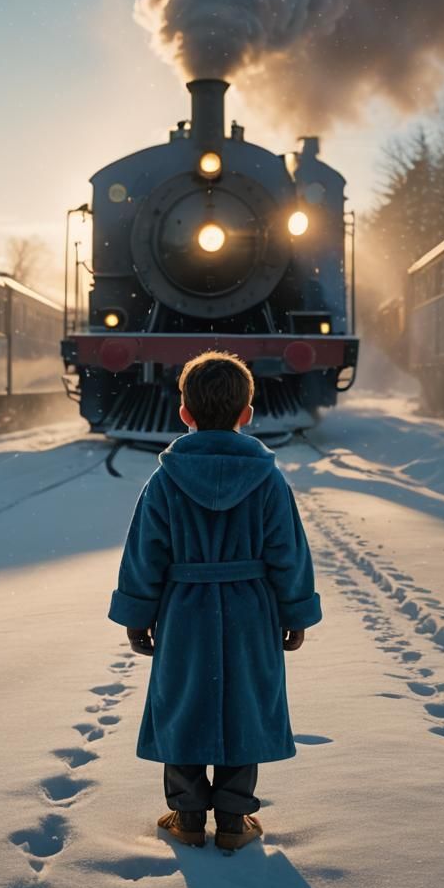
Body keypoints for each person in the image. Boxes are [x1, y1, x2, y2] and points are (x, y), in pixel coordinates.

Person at [107, 350, 322, 851]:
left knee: (182, 701)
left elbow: (144, 553)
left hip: (184, 609)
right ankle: (233, 819)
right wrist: (295, 611)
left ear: (184, 412)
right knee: (246, 702)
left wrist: (137, 615)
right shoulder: (268, 479)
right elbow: (288, 553)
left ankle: (186, 816)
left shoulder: (165, 480)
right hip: (252, 610)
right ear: (247, 413)